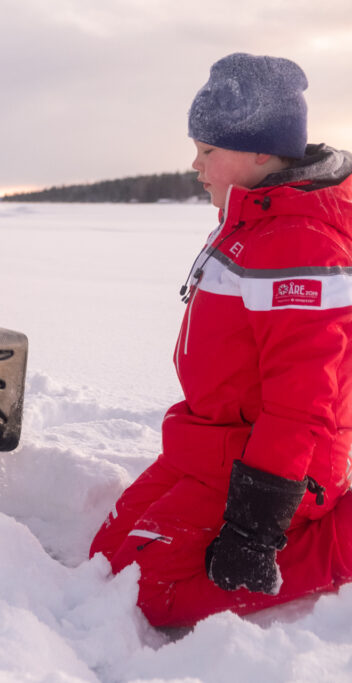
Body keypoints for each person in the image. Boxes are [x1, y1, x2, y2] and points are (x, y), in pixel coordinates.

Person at [89, 53, 352, 628]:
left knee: (148, 591)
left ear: (261, 150)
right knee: (108, 557)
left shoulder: (299, 245)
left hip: (279, 464)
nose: (195, 164)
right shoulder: (256, 216)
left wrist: (255, 526)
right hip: (215, 442)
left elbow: (302, 403)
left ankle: (342, 540)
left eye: (209, 151)